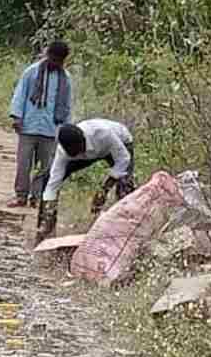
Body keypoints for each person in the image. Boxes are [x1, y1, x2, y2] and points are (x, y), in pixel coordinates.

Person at [36, 118, 137, 242]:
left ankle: (127, 234)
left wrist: (103, 190)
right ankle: (46, 231)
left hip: (120, 144)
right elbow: (52, 184)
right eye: (73, 154)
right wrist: (48, 210)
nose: (78, 156)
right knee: (47, 179)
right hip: (93, 148)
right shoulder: (63, 152)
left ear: (83, 140)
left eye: (78, 152)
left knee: (125, 187)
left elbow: (123, 159)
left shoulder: (103, 134)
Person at [8, 41, 72, 207]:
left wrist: (65, 129)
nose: (55, 62)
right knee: (24, 164)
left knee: (46, 167)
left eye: (59, 60)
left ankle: (37, 197)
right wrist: (16, 117)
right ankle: (21, 195)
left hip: (51, 129)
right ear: (47, 55)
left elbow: (67, 104)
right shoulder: (31, 72)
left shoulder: (66, 79)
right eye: (53, 58)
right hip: (28, 126)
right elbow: (20, 93)